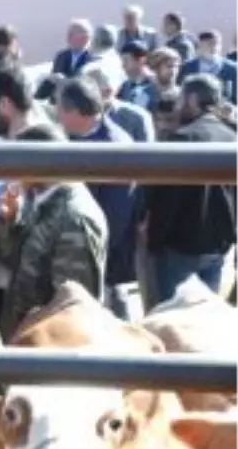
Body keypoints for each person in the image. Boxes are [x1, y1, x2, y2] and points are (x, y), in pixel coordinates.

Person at [0, 123, 108, 340]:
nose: (12, 171)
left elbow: (72, 308)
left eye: (17, 162)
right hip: (29, 340)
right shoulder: (41, 200)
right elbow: (14, 263)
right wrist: (9, 222)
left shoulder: (74, 218)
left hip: (51, 350)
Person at [144, 75, 238, 302]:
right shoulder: (232, 137)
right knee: (205, 318)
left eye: (181, 100)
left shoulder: (183, 139)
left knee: (173, 317)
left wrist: (153, 241)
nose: (177, 106)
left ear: (193, 99)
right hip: (218, 246)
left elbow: (166, 200)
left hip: (179, 248)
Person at [54, 78, 142, 321]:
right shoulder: (70, 139)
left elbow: (117, 215)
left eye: (60, 109)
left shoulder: (115, 147)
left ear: (74, 112)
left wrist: (92, 255)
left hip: (101, 259)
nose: (57, 116)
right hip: (75, 252)